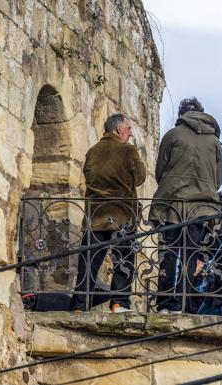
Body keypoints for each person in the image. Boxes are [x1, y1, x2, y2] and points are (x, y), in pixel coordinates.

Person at [148, 97, 222, 313]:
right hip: (201, 207)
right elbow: (218, 180)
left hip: (172, 204)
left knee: (169, 253)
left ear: (181, 114)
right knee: (191, 255)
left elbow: (160, 171)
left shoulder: (172, 135)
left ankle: (163, 303)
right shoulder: (215, 142)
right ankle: (182, 304)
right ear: (202, 112)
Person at [69, 113, 147, 313]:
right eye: (128, 129)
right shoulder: (128, 150)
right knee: (123, 259)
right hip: (122, 214)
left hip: (96, 214)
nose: (130, 134)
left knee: (89, 262)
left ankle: (79, 305)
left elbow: (88, 176)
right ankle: (119, 303)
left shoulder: (92, 152)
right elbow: (140, 178)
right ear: (119, 129)